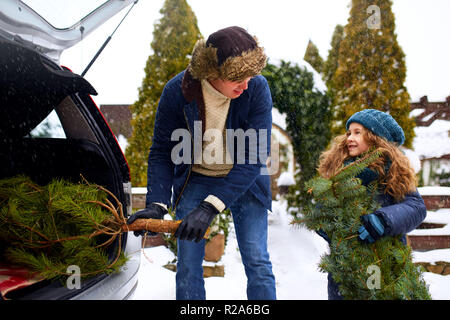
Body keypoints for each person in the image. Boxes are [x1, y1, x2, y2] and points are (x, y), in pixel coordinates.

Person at [127, 26, 276, 300]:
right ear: (212, 73)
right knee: (187, 264)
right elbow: (162, 151)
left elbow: (253, 157)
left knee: (257, 259)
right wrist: (156, 204)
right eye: (237, 79)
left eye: (250, 77)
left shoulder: (256, 88)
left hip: (245, 178)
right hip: (197, 177)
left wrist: (209, 207)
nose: (246, 85)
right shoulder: (177, 92)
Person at [316, 109, 426, 300]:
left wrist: (383, 220)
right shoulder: (341, 172)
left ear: (376, 138)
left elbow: (416, 207)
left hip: (385, 265)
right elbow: (320, 210)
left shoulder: (393, 172)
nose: (350, 137)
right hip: (345, 271)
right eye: (349, 132)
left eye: (358, 132)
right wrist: (334, 229)